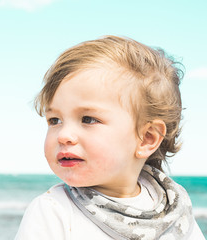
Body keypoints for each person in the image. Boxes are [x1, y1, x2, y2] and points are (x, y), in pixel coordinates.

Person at [14, 36, 205, 240]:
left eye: (88, 119)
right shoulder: (53, 211)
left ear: (147, 138)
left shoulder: (174, 208)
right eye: (54, 120)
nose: (64, 135)